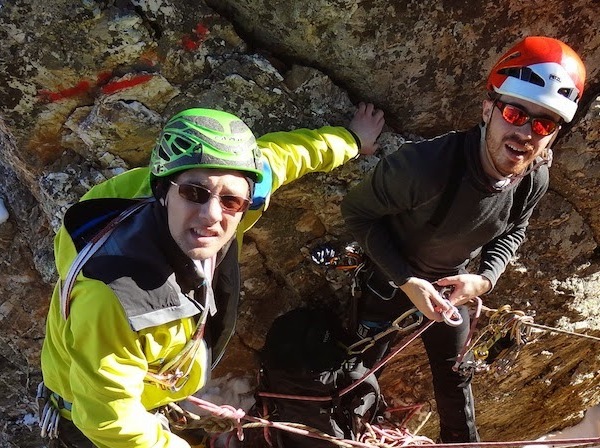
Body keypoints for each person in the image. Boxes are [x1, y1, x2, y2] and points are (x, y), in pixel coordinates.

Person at [40, 104, 384, 448]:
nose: (211, 215)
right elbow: (108, 418)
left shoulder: (190, 186)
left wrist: (351, 139)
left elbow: (281, 157)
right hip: (94, 425)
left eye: (232, 201)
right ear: (163, 190)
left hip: (140, 396)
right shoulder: (118, 300)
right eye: (194, 193)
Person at [340, 36, 586, 443]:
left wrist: (483, 280)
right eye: (514, 112)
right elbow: (357, 212)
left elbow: (514, 230)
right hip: (387, 281)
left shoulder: (533, 178)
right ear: (488, 108)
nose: (525, 132)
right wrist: (405, 280)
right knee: (359, 381)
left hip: (450, 288)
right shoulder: (423, 167)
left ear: (553, 136)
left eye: (543, 123)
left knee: (457, 385)